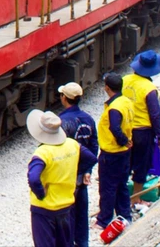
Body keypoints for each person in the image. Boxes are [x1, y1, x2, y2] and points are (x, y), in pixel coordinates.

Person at [27, 109, 98, 247]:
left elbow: (34, 178)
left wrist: (41, 194)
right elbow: (92, 158)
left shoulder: (42, 152)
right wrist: (76, 171)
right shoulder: (72, 144)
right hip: (66, 206)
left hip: (44, 210)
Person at [122, 50, 160, 200]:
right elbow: (155, 114)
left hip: (125, 129)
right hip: (142, 132)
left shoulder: (125, 80)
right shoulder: (149, 88)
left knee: (125, 163)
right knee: (141, 165)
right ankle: (136, 198)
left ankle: (120, 197)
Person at [58, 82, 98, 247]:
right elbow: (94, 146)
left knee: (67, 215)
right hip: (82, 175)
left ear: (64, 98)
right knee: (82, 214)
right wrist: (88, 170)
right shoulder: (88, 119)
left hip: (67, 177)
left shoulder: (62, 122)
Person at [95, 74, 133, 232]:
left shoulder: (114, 108)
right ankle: (125, 215)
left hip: (111, 152)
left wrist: (123, 140)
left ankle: (104, 220)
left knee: (108, 187)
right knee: (121, 184)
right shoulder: (125, 102)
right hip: (123, 153)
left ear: (107, 88)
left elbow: (115, 128)